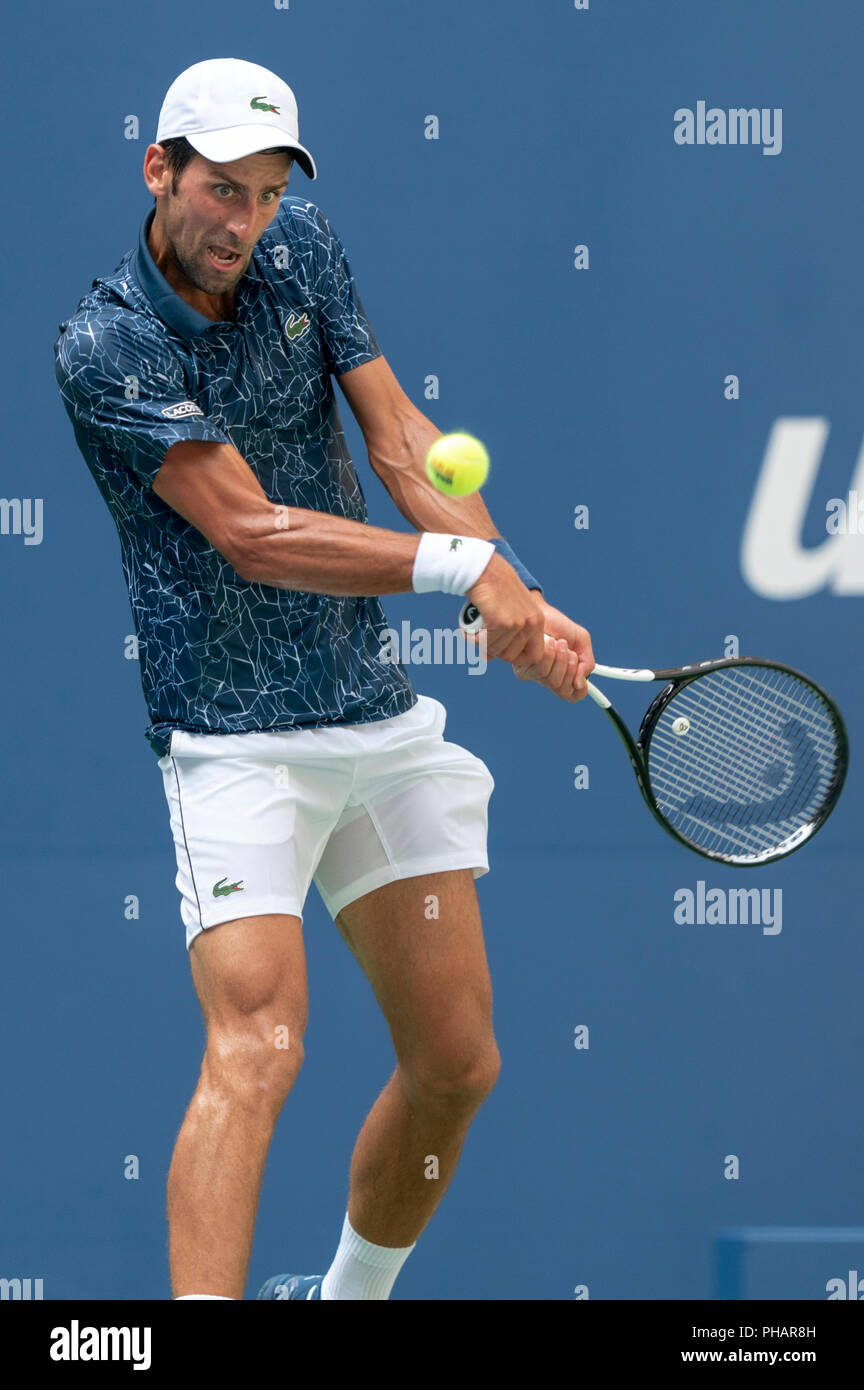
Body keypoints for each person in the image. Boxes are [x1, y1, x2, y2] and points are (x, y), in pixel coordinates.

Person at [54, 57, 594, 1301]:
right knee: (257, 1046)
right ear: (159, 170)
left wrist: (511, 581)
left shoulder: (300, 251)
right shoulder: (105, 344)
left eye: (263, 193)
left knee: (457, 1060)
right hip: (234, 746)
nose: (242, 221)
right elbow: (254, 532)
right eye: (219, 191)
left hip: (373, 720)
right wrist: (460, 569)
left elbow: (401, 440)